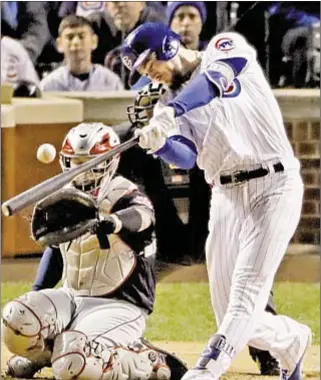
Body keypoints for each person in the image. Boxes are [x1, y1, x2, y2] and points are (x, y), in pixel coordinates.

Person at [120, 22, 312, 380]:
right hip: (225, 198)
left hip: (274, 185)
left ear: (168, 46)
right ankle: (292, 338)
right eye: (144, 71)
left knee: (245, 295)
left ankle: (207, 370)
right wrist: (159, 143)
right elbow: (188, 157)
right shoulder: (166, 100)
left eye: (151, 65)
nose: (151, 76)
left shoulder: (224, 47)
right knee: (232, 313)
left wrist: (172, 112)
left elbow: (211, 84)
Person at [2, 122, 187, 380]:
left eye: (92, 163)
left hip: (119, 306)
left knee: (73, 366)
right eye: (76, 162)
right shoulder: (66, 197)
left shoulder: (126, 194)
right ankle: (45, 355)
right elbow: (56, 251)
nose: (84, 171)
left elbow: (141, 217)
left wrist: (112, 222)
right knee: (17, 318)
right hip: (71, 297)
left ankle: (149, 361)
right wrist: (36, 293)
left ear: (111, 161)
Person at [40, 15, 123, 92]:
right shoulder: (48, 85)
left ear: (94, 41)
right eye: (70, 37)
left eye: (81, 36)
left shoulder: (111, 82)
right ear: (59, 44)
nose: (76, 42)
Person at [92, 1, 165, 88]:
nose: (121, 5)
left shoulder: (157, 25)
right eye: (115, 1)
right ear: (107, 5)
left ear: (142, 4)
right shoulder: (93, 26)